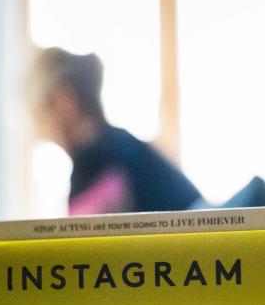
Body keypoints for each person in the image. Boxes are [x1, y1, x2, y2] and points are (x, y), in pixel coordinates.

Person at [28, 47, 202, 215]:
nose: (38, 130)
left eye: (38, 114)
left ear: (64, 101)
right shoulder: (119, 146)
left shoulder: (107, 160)